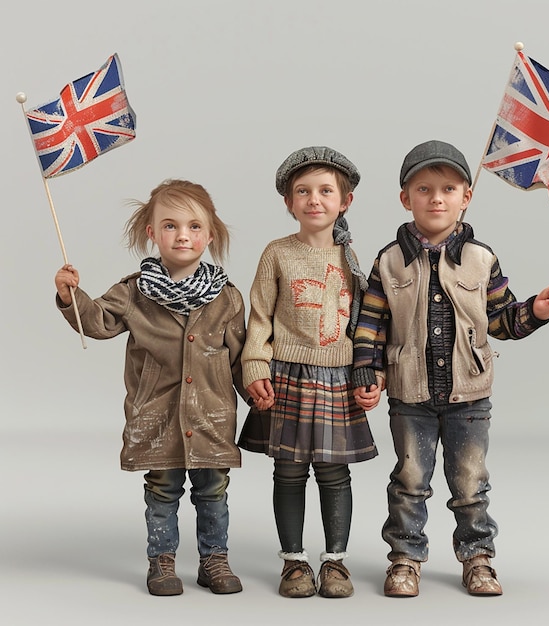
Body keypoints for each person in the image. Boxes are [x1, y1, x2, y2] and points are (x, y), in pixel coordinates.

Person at [352, 140, 549, 598]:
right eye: (424, 189)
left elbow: (500, 319)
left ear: (466, 196)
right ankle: (405, 559)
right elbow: (370, 323)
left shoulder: (481, 258)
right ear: (405, 198)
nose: (436, 198)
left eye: (448, 188)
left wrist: (538, 310)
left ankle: (478, 558)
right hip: (409, 396)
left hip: (469, 396)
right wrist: (366, 374)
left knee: (470, 482)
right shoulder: (388, 260)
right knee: (410, 480)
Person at [54, 179, 248, 597]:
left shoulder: (227, 298)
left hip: (212, 416)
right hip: (157, 417)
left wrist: (262, 395)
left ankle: (215, 560)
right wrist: (71, 295)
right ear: (152, 232)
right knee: (163, 490)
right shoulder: (132, 293)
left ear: (210, 234)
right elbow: (98, 322)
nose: (183, 235)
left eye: (195, 226)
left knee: (213, 490)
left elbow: (239, 360)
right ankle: (162, 561)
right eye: (171, 225)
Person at [238, 146, 378, 598]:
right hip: (289, 377)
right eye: (303, 191)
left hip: (339, 380)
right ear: (288, 202)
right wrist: (256, 365)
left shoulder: (357, 261)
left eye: (325, 191)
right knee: (289, 471)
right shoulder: (277, 253)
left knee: (335, 473)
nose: (314, 199)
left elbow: (372, 325)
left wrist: (372, 376)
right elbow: (259, 318)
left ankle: (335, 562)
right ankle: (293, 561)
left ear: (345, 201)